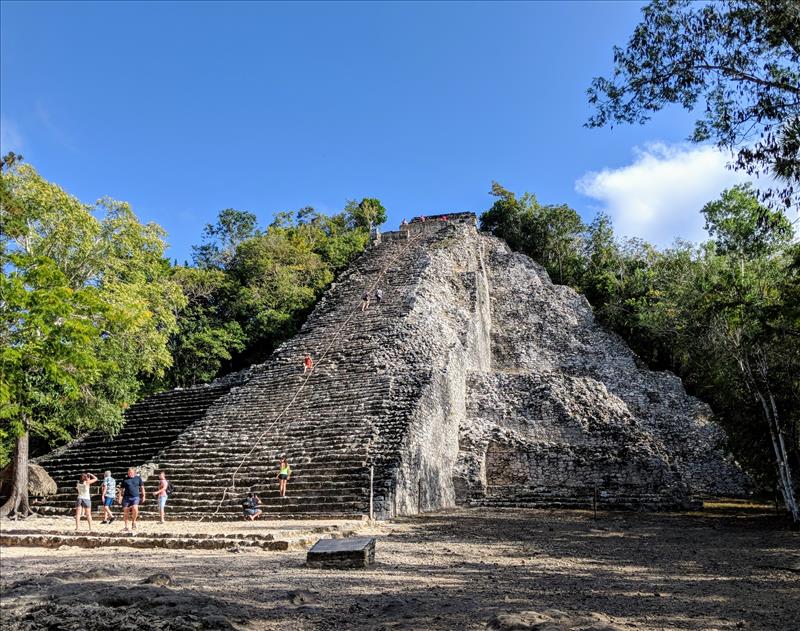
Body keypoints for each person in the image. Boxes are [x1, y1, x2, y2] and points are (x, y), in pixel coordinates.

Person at [120, 467, 145, 534]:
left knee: (135, 508)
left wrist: (143, 496)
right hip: (126, 497)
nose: (129, 473)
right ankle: (126, 526)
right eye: (128, 472)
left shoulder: (138, 478)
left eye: (130, 472)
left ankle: (133, 521)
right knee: (126, 511)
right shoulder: (125, 479)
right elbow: (121, 489)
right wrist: (119, 496)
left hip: (135, 497)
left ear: (134, 472)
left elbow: (142, 487)